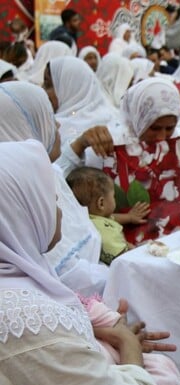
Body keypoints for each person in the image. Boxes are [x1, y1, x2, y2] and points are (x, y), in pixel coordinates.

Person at [0, 140, 175, 385]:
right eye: (54, 201)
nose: (61, 213)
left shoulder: (22, 280)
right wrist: (128, 345)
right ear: (22, 212)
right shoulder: (27, 318)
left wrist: (99, 332)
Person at [0, 81, 107, 296]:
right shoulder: (20, 199)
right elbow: (73, 278)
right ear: (25, 127)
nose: (58, 126)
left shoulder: (34, 175)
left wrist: (80, 144)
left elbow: (60, 167)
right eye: (49, 118)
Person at [103, 78, 180, 244]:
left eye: (169, 128)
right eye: (154, 127)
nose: (161, 137)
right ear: (138, 117)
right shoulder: (109, 148)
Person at [44, 56, 127, 175]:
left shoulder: (114, 123)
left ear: (70, 87)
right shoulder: (50, 125)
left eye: (48, 85)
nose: (43, 90)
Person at [66, 167, 150, 264]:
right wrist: (134, 249)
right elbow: (122, 257)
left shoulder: (89, 218)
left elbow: (110, 218)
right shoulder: (105, 232)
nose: (114, 199)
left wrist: (129, 217)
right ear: (101, 203)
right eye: (113, 196)